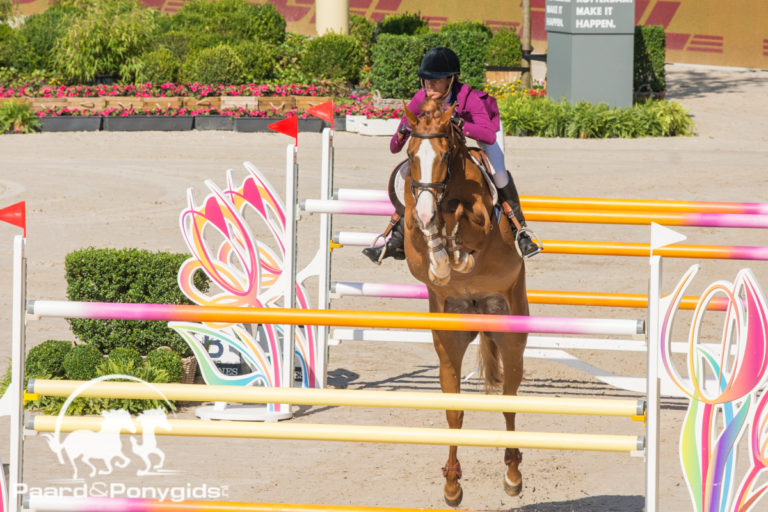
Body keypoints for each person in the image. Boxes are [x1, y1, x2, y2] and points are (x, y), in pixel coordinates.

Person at [363, 46, 542, 264]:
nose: (429, 86)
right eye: (426, 81)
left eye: (436, 81)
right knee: (414, 174)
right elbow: (394, 147)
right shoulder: (421, 98)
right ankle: (397, 239)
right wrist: (403, 131)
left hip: (485, 129)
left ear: (451, 80)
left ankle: (520, 231)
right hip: (446, 145)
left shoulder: (469, 98)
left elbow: (487, 136)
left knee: (499, 173)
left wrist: (459, 123)